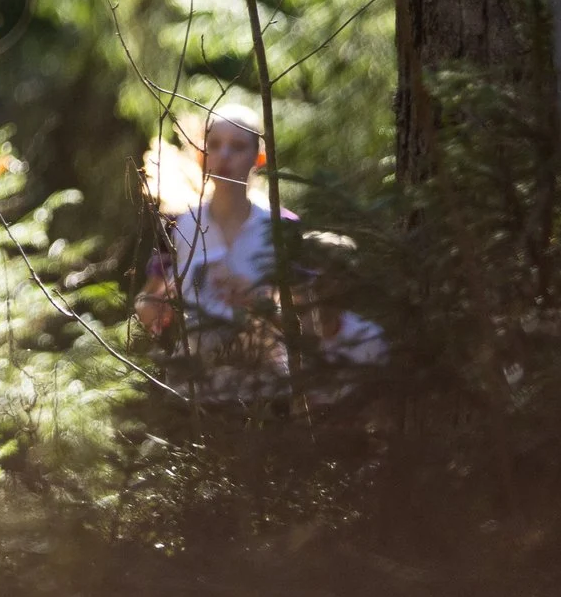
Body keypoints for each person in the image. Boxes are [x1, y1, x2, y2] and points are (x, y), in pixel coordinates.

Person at [134, 98, 386, 402]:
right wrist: (162, 305)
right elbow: (146, 305)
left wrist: (259, 305)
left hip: (265, 394)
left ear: (259, 158)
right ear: (202, 156)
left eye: (238, 146)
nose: (224, 155)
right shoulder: (178, 224)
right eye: (214, 144)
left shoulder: (283, 227)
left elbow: (307, 329)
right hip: (192, 391)